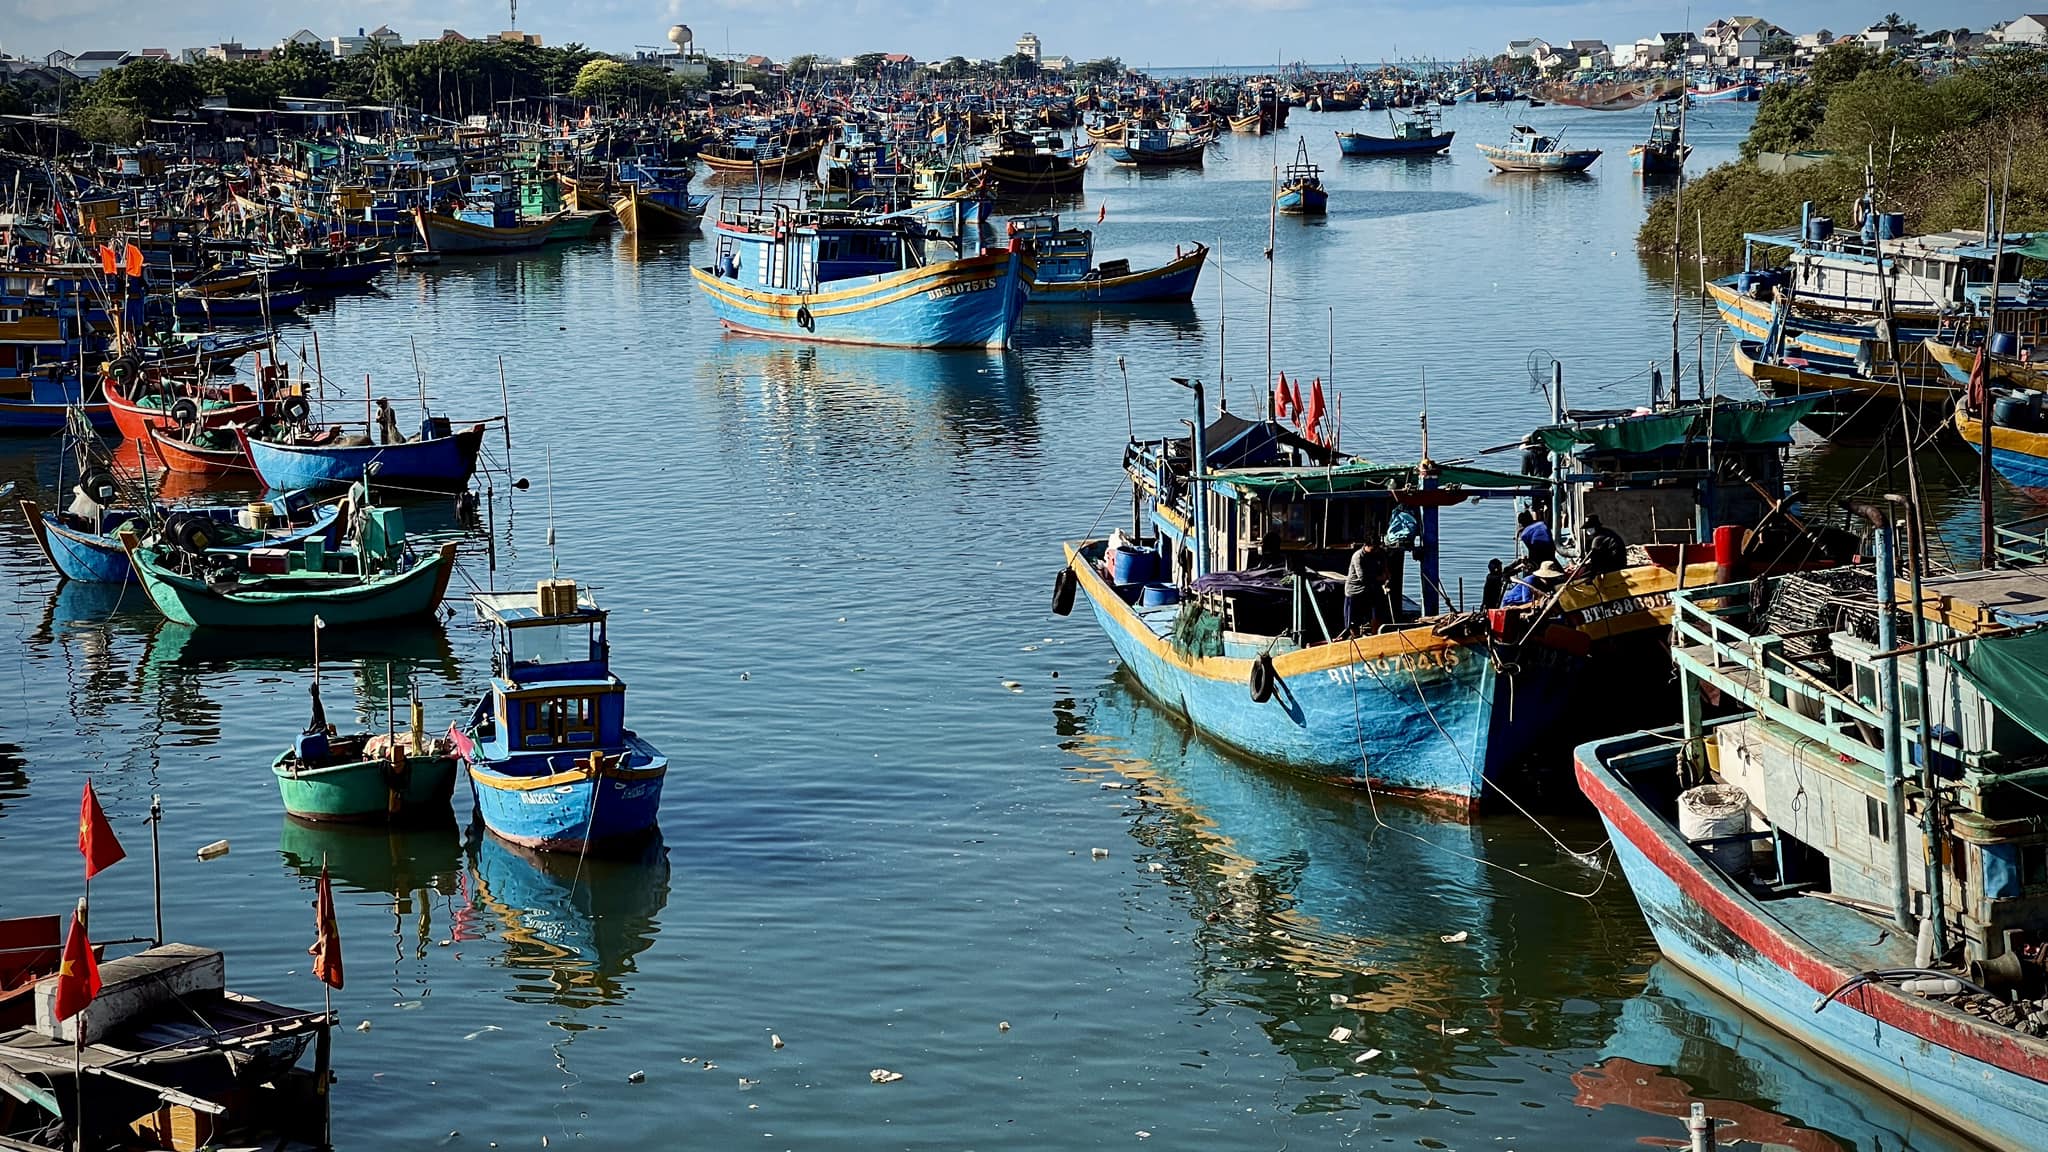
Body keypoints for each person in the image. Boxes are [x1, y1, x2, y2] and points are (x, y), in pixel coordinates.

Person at [1343, 541, 1386, 636]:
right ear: (1366, 546)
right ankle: (1355, 639)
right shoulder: (1358, 556)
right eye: (1373, 548)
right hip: (1355, 589)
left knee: (1377, 613)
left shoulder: (1378, 553)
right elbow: (1363, 578)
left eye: (1377, 548)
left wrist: (1386, 576)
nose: (1375, 551)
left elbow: (1384, 567)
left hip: (1370, 588)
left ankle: (1375, 636)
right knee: (1353, 621)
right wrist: (1379, 578)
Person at [1500, 560, 1566, 607]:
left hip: (1531, 603)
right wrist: (1541, 600)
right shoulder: (1530, 581)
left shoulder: (1550, 583)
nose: (1552, 579)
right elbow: (1526, 600)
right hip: (1512, 603)